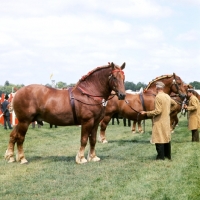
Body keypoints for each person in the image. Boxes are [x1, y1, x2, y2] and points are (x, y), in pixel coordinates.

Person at [140, 81, 177, 160]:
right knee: (166, 137)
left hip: (159, 121)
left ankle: (160, 157)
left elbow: (158, 111)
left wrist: (146, 113)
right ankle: (167, 155)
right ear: (162, 88)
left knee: (159, 138)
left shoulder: (158, 97)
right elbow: (175, 104)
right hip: (166, 120)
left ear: (157, 87)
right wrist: (168, 111)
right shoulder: (167, 96)